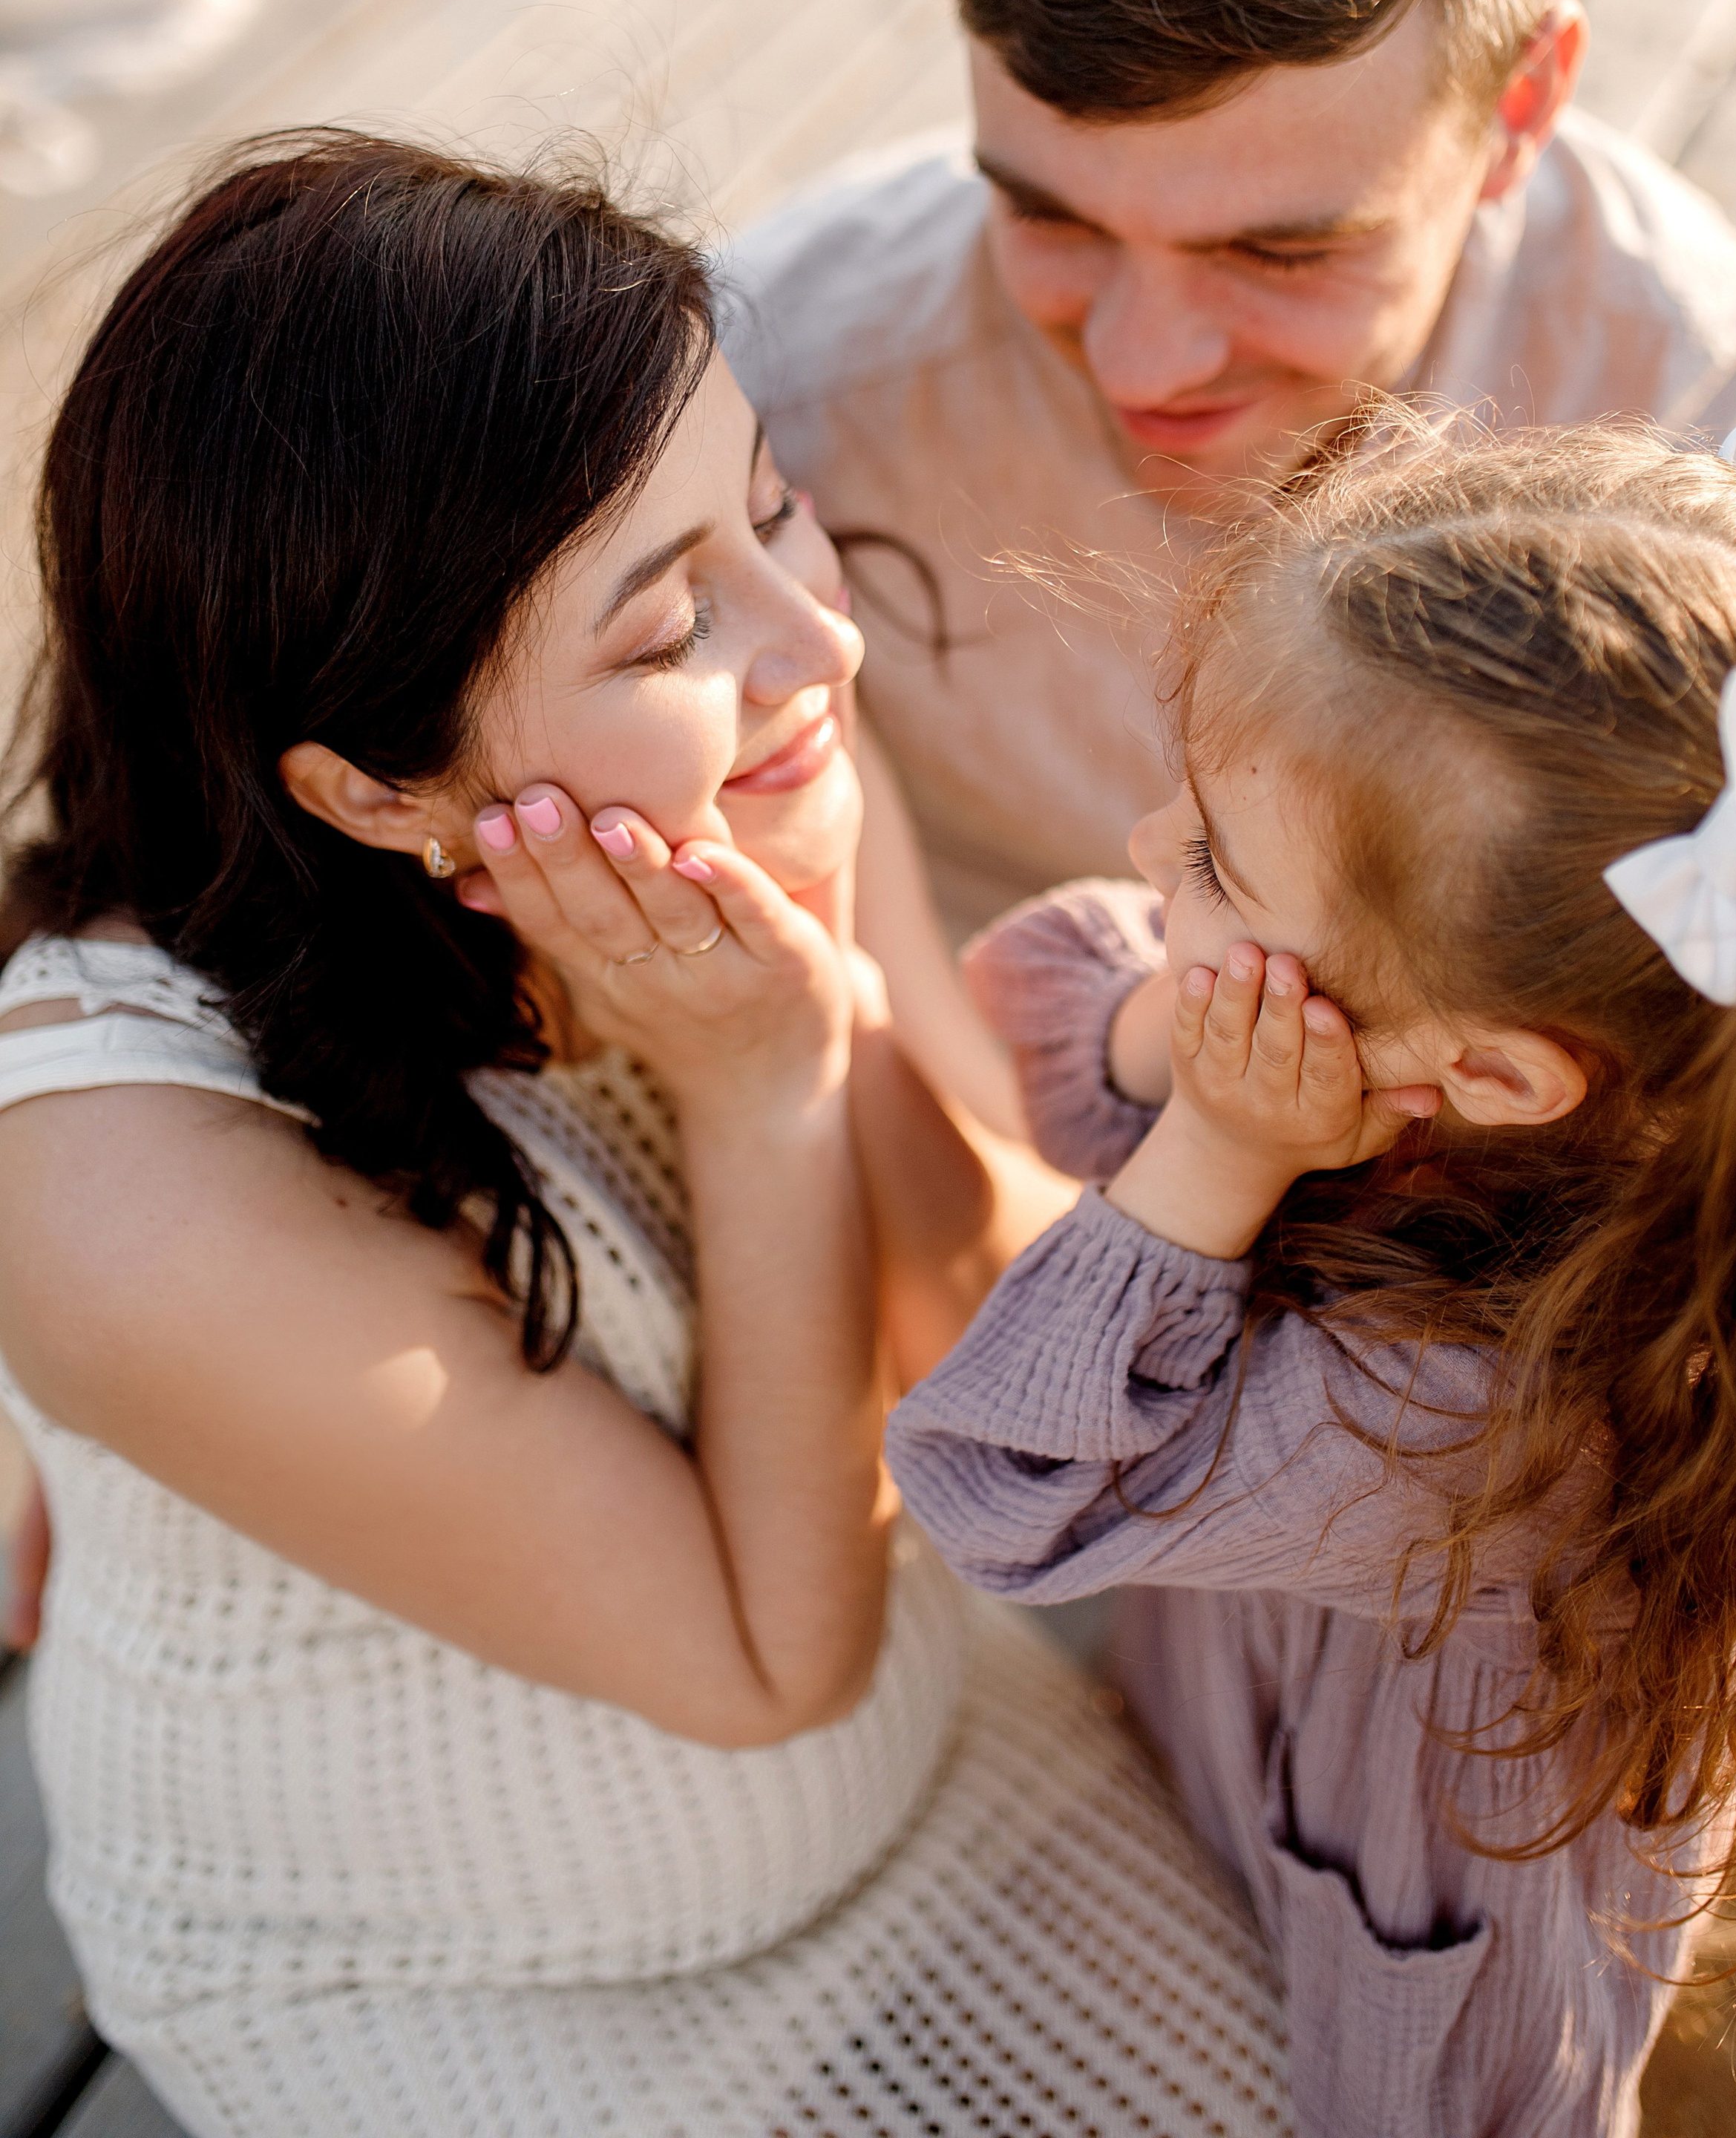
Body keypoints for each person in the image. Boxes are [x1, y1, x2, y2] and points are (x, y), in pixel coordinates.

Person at [0, 134, 1289, 2138]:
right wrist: (761, 1087)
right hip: (452, 1980)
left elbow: (996, 1351)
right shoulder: (127, 1189)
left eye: (773, 507)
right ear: (372, 792)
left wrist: (831, 993)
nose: (817, 642)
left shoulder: (742, 770)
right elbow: (766, 1669)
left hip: (936, 1772)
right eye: (671, 624)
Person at [886, 384, 1736, 2136]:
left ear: (1493, 1074)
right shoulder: (1501, 1067)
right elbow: (1032, 1004)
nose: (1143, 854)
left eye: (1212, 865)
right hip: (1245, 1780)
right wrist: (1205, 1067)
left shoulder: (1473, 1415)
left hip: (1428, 2020)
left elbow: (998, 1493)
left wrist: (1219, 1150)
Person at [725, 0, 1736, 939]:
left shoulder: (1671, 369)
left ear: (1520, 108)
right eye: (1052, 219)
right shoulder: (774, 382)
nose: (1144, 361)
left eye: (1281, 252)